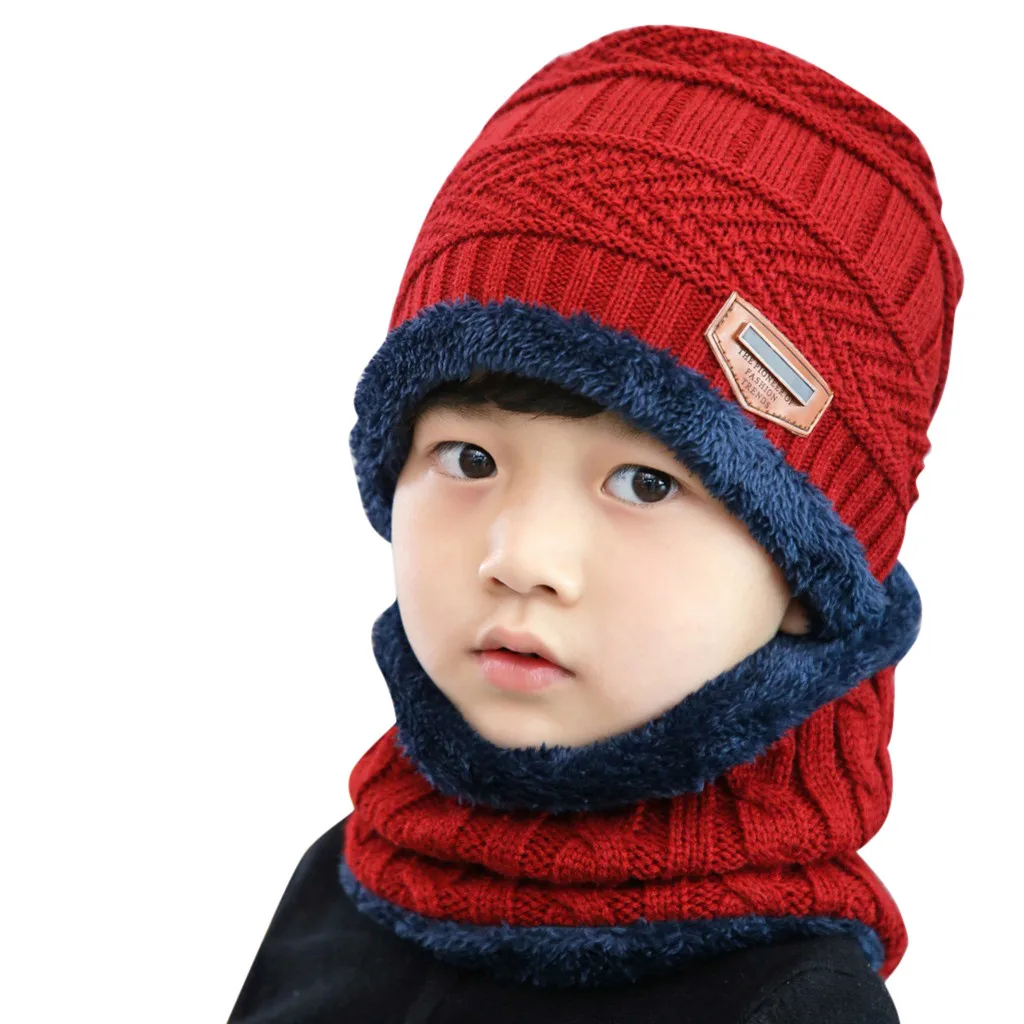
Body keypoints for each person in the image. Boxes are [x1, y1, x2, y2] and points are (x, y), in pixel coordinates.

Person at [227, 23, 963, 1023]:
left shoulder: (782, 1004)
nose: (521, 558)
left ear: (809, 575)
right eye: (469, 460)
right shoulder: (344, 883)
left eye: (646, 484)